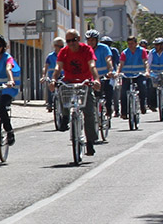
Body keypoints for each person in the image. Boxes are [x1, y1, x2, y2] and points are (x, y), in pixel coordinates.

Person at [51, 28, 99, 156]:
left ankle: (90, 142)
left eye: (74, 40)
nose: (71, 43)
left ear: (79, 39)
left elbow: (92, 65)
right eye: (68, 41)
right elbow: (58, 67)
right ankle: (65, 116)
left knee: (89, 112)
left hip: (85, 83)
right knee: (61, 90)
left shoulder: (86, 50)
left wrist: (96, 80)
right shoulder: (63, 52)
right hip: (69, 82)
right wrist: (53, 79)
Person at [86, 30, 116, 120]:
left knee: (108, 92)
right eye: (89, 40)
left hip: (104, 76)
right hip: (91, 78)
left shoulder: (104, 48)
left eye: (92, 40)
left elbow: (108, 59)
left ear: (97, 40)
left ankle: (108, 110)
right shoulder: (85, 50)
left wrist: (110, 70)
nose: (90, 42)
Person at [117, 35, 150, 116]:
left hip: (139, 74)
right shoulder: (124, 52)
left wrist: (147, 71)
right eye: (129, 44)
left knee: (142, 87)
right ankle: (124, 112)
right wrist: (117, 72)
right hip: (127, 75)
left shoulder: (142, 51)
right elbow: (121, 64)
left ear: (136, 43)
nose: (130, 45)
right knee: (123, 92)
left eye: (132, 43)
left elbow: (146, 62)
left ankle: (142, 106)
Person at [43, 37, 65, 112]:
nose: (62, 48)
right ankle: (49, 104)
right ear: (55, 46)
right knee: (50, 88)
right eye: (60, 46)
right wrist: (43, 76)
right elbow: (45, 67)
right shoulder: (50, 56)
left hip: (62, 77)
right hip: (52, 77)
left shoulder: (65, 55)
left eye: (63, 46)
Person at [102, 35, 121, 116]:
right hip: (101, 74)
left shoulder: (114, 51)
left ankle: (116, 109)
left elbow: (117, 62)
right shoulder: (100, 50)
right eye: (104, 43)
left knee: (114, 90)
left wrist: (116, 72)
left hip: (112, 74)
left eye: (108, 44)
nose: (107, 46)